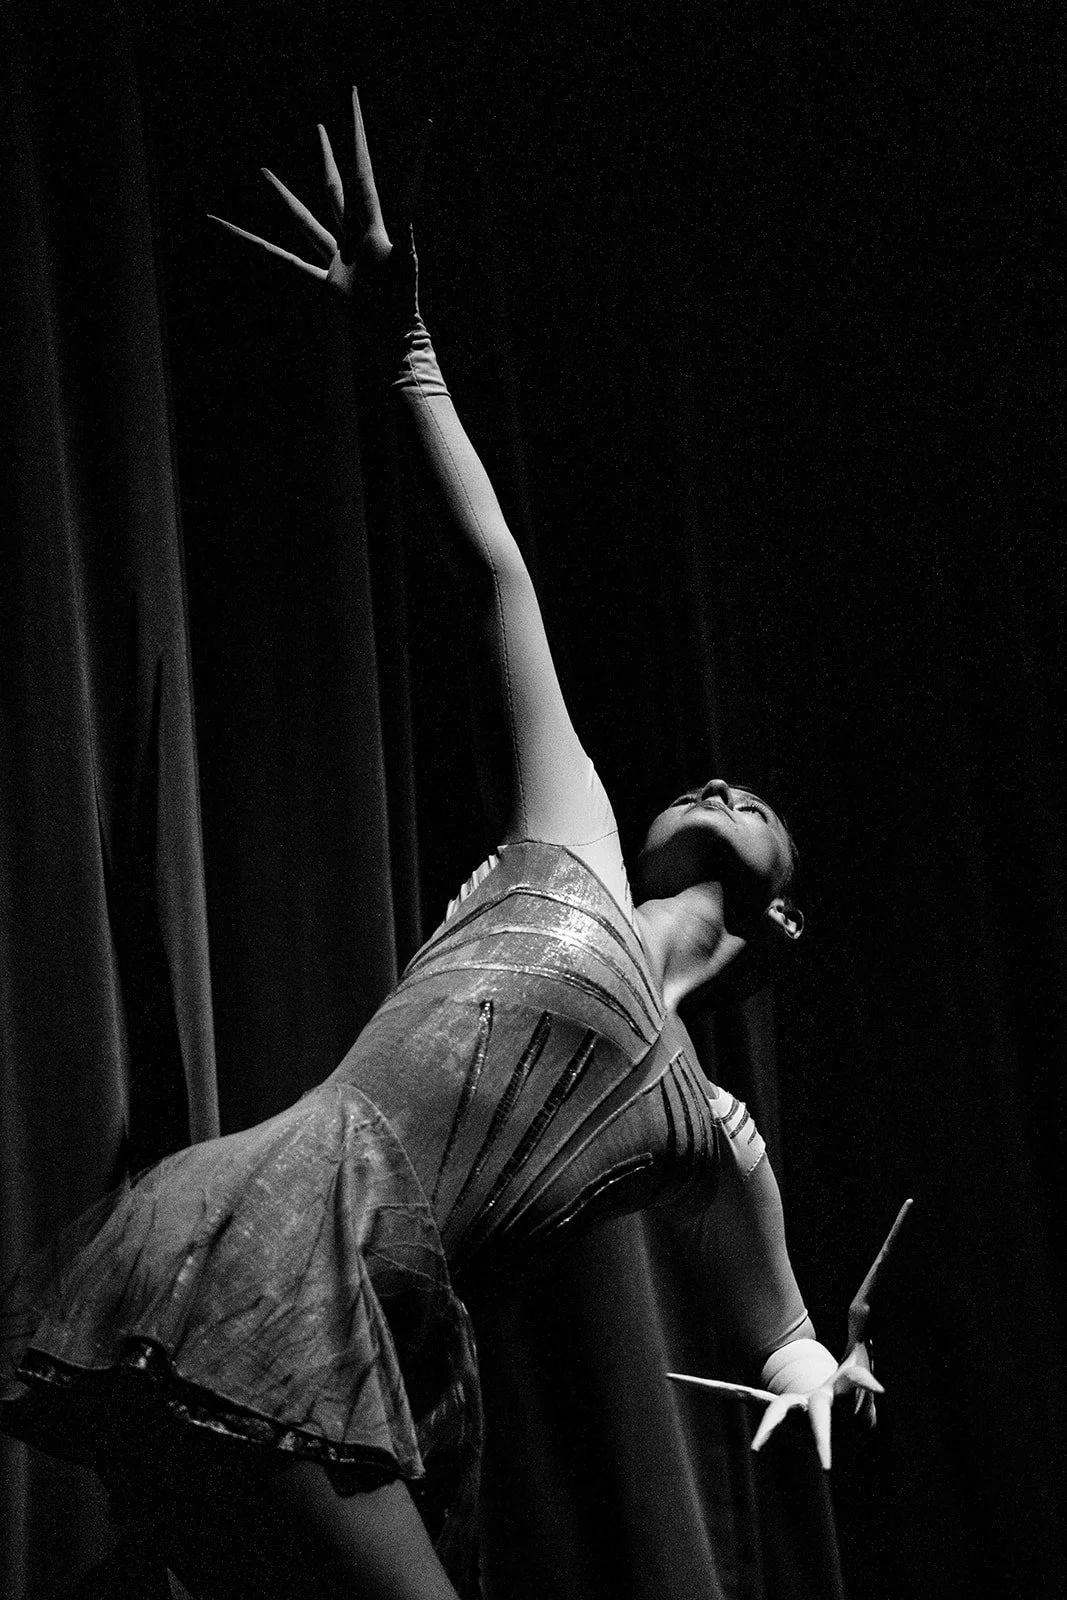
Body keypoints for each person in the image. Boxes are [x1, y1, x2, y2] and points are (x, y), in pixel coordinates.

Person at [0, 90, 878, 1600]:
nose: (723, 782)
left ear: (779, 932)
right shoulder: (574, 843)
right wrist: (406, 355)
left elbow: (781, 1319)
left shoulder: (706, 1136)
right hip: (280, 1232)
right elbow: (497, 581)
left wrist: (815, 1370)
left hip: (367, 1337)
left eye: (755, 809)